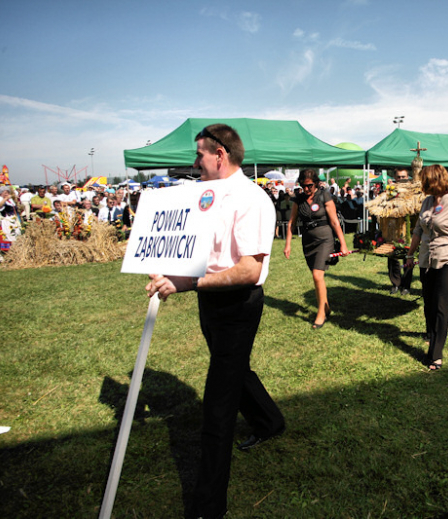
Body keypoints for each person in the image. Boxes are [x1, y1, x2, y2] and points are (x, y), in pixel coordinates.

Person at [146, 123, 285, 519]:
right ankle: (270, 421)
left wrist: (188, 283)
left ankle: (208, 507)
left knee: (218, 403)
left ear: (219, 155)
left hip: (238, 304)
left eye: (200, 155)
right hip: (211, 299)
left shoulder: (251, 198)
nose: (195, 163)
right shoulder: (207, 195)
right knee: (232, 368)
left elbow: (249, 271)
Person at [404, 165, 448, 370]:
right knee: (429, 304)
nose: (422, 184)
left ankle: (435, 354)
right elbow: (418, 229)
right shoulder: (426, 201)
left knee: (441, 307)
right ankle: (431, 336)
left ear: (434, 180)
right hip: (426, 261)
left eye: (425, 181)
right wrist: (410, 254)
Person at [284, 168, 349, 328]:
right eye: (303, 185)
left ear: (316, 183)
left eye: (310, 185)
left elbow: (334, 221)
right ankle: (326, 307)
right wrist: (288, 243)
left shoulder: (324, 195)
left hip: (325, 240)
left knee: (317, 275)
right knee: (316, 276)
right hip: (308, 242)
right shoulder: (298, 199)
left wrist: (343, 243)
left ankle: (321, 314)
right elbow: (292, 222)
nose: (306, 189)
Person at [387, 167, 416, 296]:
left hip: (409, 229)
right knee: (392, 257)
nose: (401, 179)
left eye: (403, 177)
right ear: (395, 177)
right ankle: (396, 283)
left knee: (408, 257)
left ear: (408, 177)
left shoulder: (413, 191)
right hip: (393, 229)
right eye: (399, 177)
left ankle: (406, 285)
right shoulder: (390, 191)